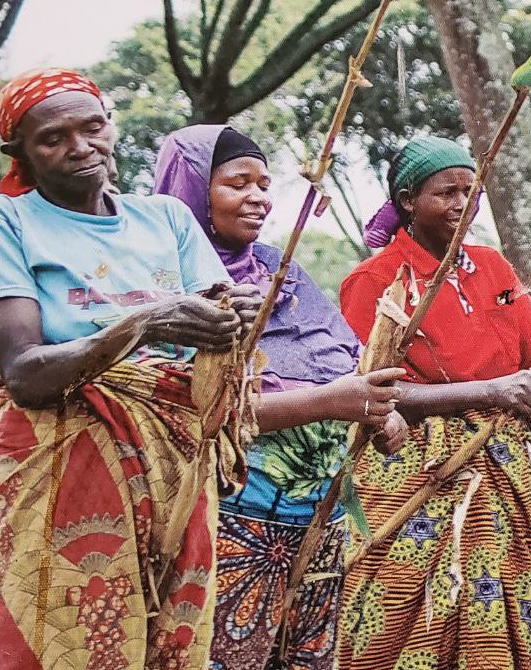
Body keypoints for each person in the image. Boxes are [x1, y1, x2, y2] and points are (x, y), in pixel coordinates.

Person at [0, 68, 261, 670]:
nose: (81, 147)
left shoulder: (165, 217)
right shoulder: (2, 221)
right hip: (64, 462)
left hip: (176, 466)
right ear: (21, 153)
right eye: (53, 138)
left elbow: (212, 331)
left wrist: (235, 315)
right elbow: (26, 373)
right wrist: (142, 324)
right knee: (65, 627)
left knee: (171, 631)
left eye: (93, 127)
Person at [334, 136, 531, 670]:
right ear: (408, 201)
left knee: (500, 592)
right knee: (403, 599)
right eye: (446, 193)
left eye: (470, 191)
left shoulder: (491, 267)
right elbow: (373, 393)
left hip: (503, 461)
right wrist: (492, 391)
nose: (462, 205)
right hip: (416, 464)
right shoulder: (374, 281)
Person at [152, 124, 408, 670]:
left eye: (264, 183)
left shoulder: (281, 270)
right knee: (225, 655)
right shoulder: (165, 285)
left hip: (318, 518)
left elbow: (344, 359)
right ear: (191, 189)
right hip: (227, 519)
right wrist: (330, 404)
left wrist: (380, 414)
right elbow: (188, 410)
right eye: (237, 183)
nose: (258, 198)